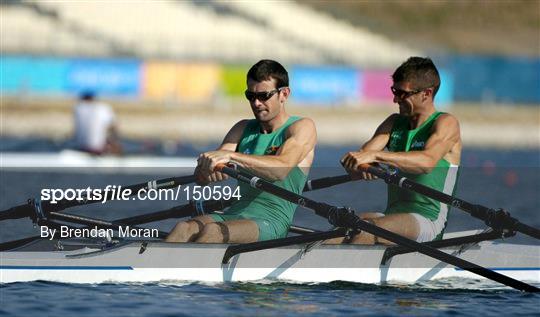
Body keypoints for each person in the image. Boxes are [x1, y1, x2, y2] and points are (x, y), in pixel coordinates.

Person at [166, 59, 317, 243]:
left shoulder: (301, 127)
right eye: (250, 96)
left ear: (284, 94)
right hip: (234, 214)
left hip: (271, 221)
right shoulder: (242, 128)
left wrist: (232, 156)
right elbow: (203, 178)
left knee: (213, 232)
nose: (256, 103)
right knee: (183, 228)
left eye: (263, 96)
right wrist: (206, 170)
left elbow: (280, 169)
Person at [339, 56, 461, 244]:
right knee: (343, 228)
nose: (395, 99)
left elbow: (427, 163)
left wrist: (377, 156)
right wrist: (358, 164)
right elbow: (358, 164)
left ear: (426, 93)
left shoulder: (446, 123)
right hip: (392, 217)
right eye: (394, 91)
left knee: (365, 230)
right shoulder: (393, 123)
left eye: (403, 93)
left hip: (427, 222)